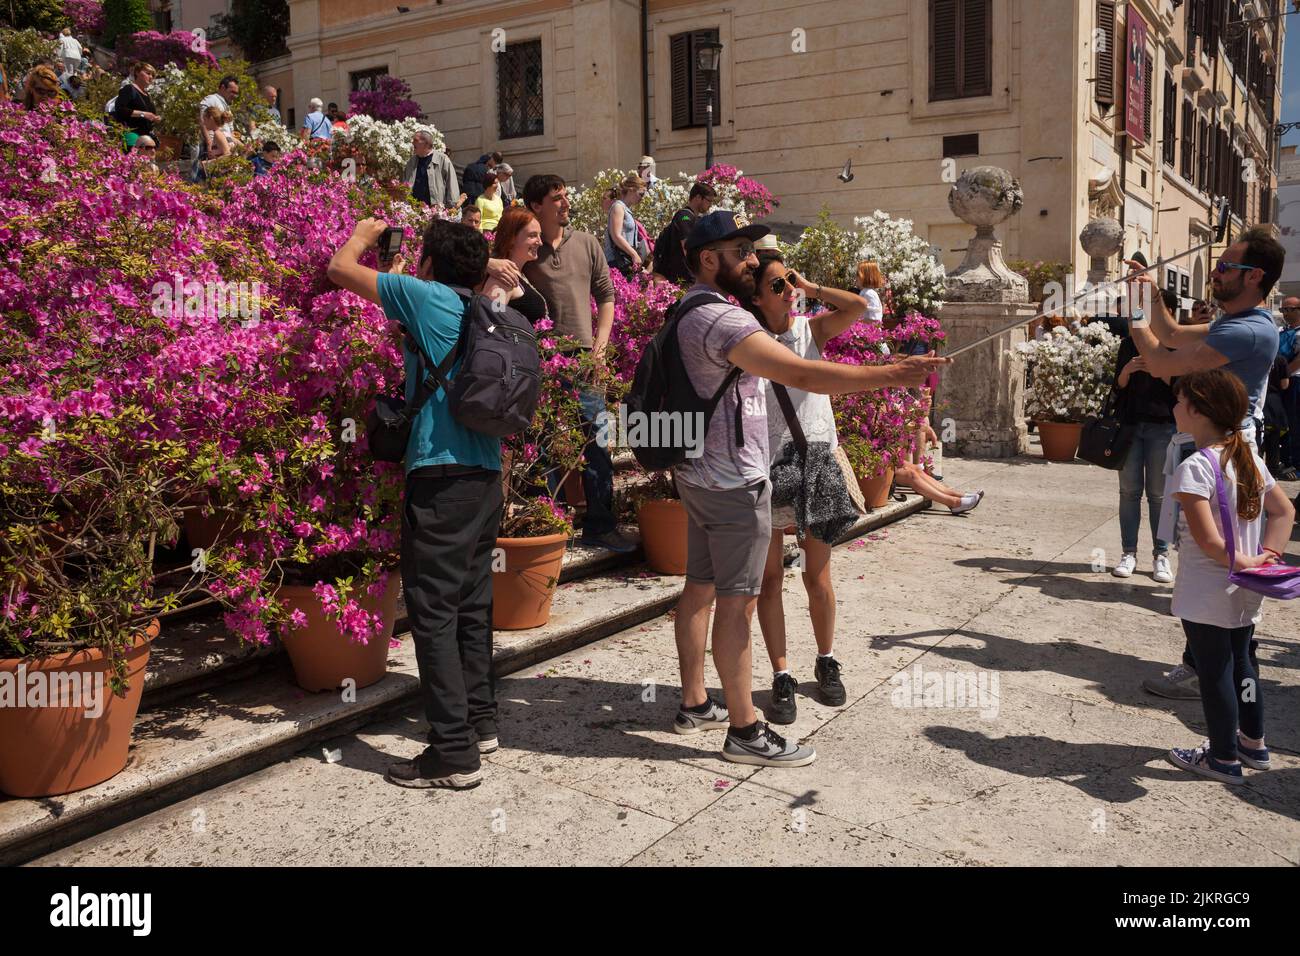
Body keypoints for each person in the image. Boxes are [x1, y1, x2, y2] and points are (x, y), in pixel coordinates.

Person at [670, 210, 949, 766]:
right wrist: (895, 373)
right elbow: (802, 375)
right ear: (708, 259)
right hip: (736, 480)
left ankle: (697, 703)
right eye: (742, 252)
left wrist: (806, 288)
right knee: (741, 600)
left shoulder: (691, 308)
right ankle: (746, 730)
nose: (753, 261)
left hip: (700, 473)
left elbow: (837, 327)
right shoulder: (726, 321)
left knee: (703, 585)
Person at [327, 218, 503, 791]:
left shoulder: (424, 297)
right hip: (486, 474)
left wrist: (363, 231)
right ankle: (479, 722)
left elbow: (339, 269)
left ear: (429, 263)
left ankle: (453, 754)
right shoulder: (481, 309)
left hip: (440, 475)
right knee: (471, 604)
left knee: (431, 612)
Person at [1128, 228, 1284, 700]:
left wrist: (1134, 307)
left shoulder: (1248, 330)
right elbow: (1172, 333)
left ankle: (1217, 674)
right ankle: (1212, 666)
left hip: (1228, 455)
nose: (1215, 273)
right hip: (1215, 449)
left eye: (1224, 267)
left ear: (1254, 276)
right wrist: (1151, 295)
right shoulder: (1235, 323)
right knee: (1203, 559)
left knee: (1208, 565)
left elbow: (1158, 359)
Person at [744, 252, 865, 723]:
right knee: (770, 579)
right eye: (777, 285)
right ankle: (781, 673)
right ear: (756, 298)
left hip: (816, 461)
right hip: (770, 466)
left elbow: (856, 308)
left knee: (818, 575)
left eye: (788, 282)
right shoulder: (749, 341)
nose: (787, 290)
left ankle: (826, 659)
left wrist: (810, 287)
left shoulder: (809, 331)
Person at [1164, 369, 1294, 784]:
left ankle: (1221, 757)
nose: (1174, 407)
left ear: (1199, 411)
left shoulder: (1194, 467)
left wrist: (1240, 560)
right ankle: (1252, 742)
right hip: (1246, 589)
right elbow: (1284, 511)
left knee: (1214, 669)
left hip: (1207, 587)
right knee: (1243, 663)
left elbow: (1207, 540)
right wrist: (1266, 557)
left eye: (1180, 401)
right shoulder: (1247, 457)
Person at [520, 174, 629, 552]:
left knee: (599, 441)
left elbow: (607, 295)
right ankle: (549, 529)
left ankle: (601, 524)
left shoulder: (585, 242)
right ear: (536, 206)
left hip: (585, 357)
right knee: (546, 444)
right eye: (557, 198)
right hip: (543, 359)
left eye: (566, 196)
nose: (566, 203)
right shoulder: (527, 248)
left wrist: (600, 346)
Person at [1109, 287, 1180, 583]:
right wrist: (1127, 369)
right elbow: (1117, 387)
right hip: (1130, 425)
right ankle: (1128, 552)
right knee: (1129, 492)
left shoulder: (1175, 346)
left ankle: (1161, 555)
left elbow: (1178, 388)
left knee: (1159, 495)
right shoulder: (1129, 343)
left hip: (1162, 426)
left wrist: (1159, 367)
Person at [483, 207, 547, 326]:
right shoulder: (502, 279)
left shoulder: (516, 274)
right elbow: (490, 325)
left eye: (540, 235)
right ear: (511, 239)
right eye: (533, 235)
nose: (540, 242)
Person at [652, 182, 716, 285]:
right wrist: (699, 273)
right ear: (698, 197)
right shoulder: (684, 216)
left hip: (686, 278)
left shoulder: (696, 219)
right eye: (709, 201)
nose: (710, 205)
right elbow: (687, 247)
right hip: (679, 279)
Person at [604, 174, 647, 277]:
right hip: (617, 262)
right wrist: (634, 254)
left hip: (625, 261)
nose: (642, 198)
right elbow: (616, 235)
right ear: (631, 190)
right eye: (641, 194)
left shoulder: (625, 209)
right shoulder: (618, 207)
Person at [404, 129, 459, 207]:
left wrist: (451, 206)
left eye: (415, 140)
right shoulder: (411, 162)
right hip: (414, 209)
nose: (412, 143)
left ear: (426, 144)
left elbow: (452, 183)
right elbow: (405, 184)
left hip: (435, 209)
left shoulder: (442, 159)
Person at [1278, 296, 1300, 478]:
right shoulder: (1282, 331)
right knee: (1283, 423)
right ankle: (1286, 460)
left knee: (1295, 423)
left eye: (1289, 309)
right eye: (1283, 310)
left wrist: (1282, 376)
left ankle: (1296, 464)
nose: (1285, 313)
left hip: (1295, 382)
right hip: (1282, 382)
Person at [112, 62, 158, 140]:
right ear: (137, 72)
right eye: (148, 73)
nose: (151, 77)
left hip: (144, 139)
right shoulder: (129, 89)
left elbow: (148, 115)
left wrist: (154, 118)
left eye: (152, 75)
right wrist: (143, 114)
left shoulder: (147, 95)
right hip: (131, 136)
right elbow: (120, 109)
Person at [195, 106, 233, 180]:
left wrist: (208, 163)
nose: (204, 123)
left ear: (211, 119)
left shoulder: (218, 134)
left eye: (205, 119)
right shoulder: (224, 133)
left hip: (225, 176)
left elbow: (228, 155)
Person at [199, 75, 238, 142]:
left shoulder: (226, 106)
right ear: (223, 88)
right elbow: (202, 121)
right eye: (232, 92)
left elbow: (229, 131)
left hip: (225, 147)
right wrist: (209, 143)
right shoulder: (211, 99)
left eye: (236, 93)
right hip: (215, 148)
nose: (235, 96)